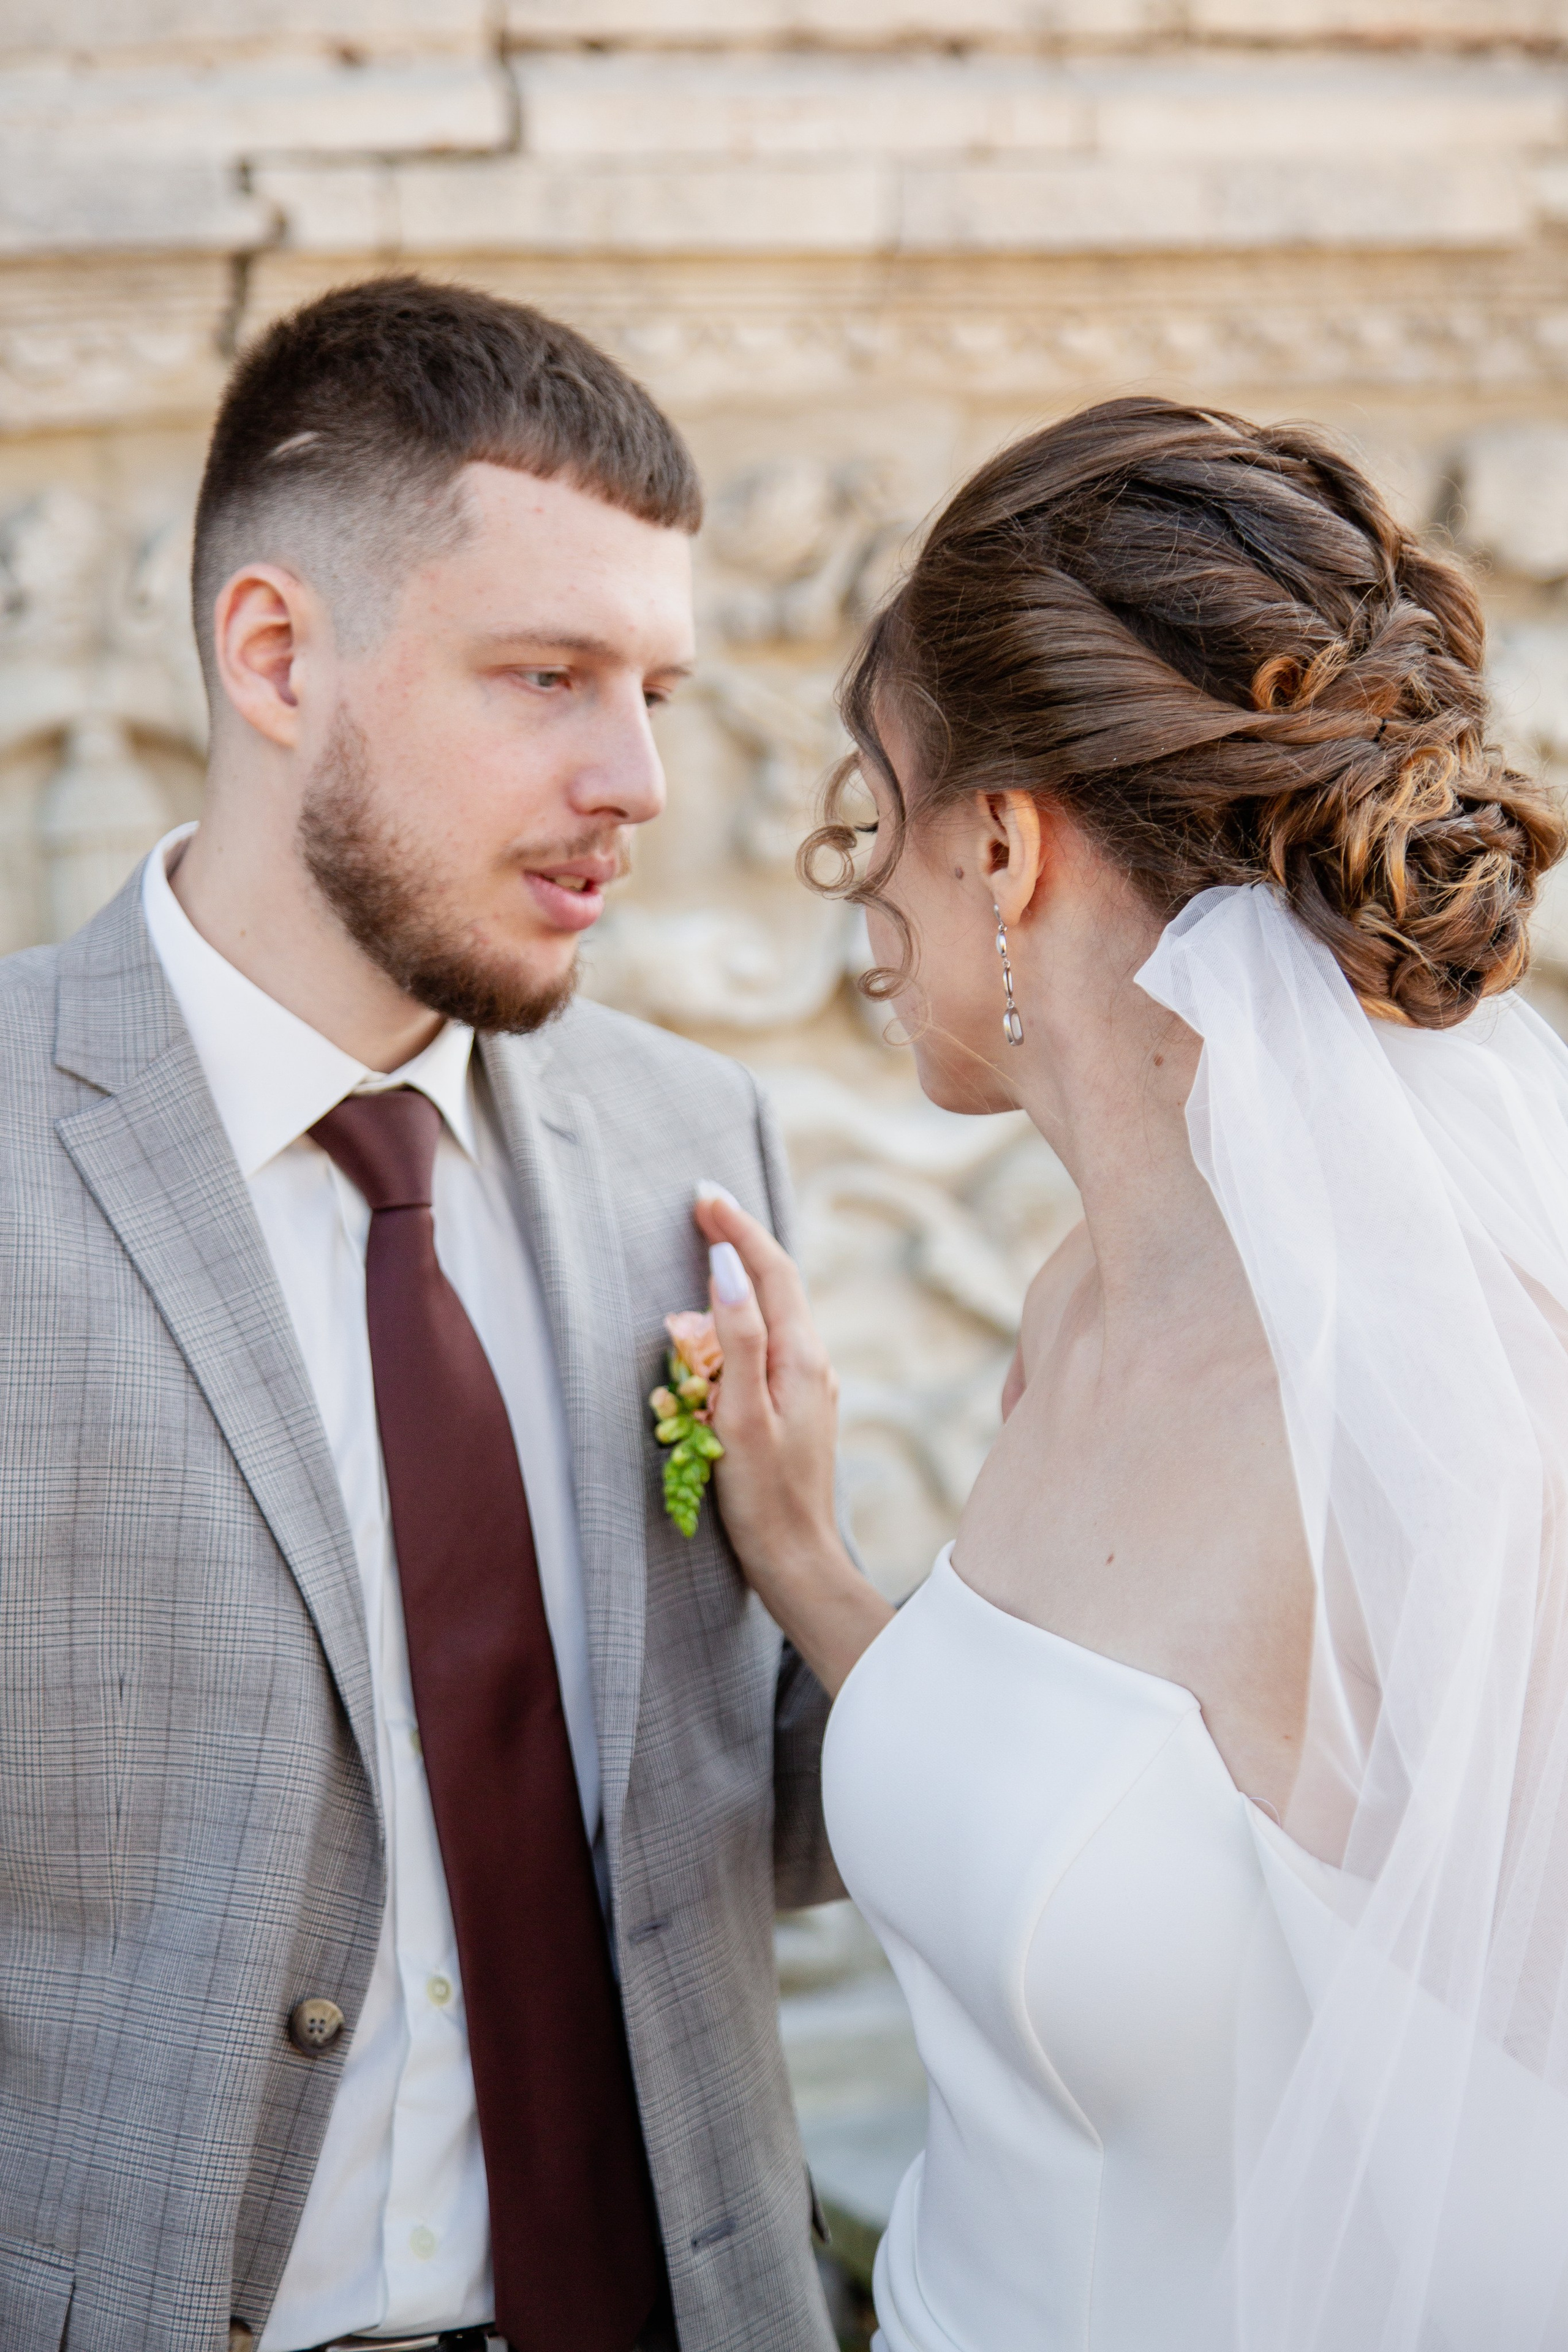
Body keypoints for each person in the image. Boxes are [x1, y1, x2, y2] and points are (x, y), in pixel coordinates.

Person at [0, 276, 843, 2352]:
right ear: (277, 654)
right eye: (549, 675)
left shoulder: (694, 1139)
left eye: (656, 689)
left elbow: (772, 1803)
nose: (634, 778)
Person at [695, 396, 1568, 2352]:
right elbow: (1112, 1824)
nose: (861, 892)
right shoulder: (1077, 1307)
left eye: (874, 807)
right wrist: (810, 1562)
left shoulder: (1463, 1410)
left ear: (1001, 844)